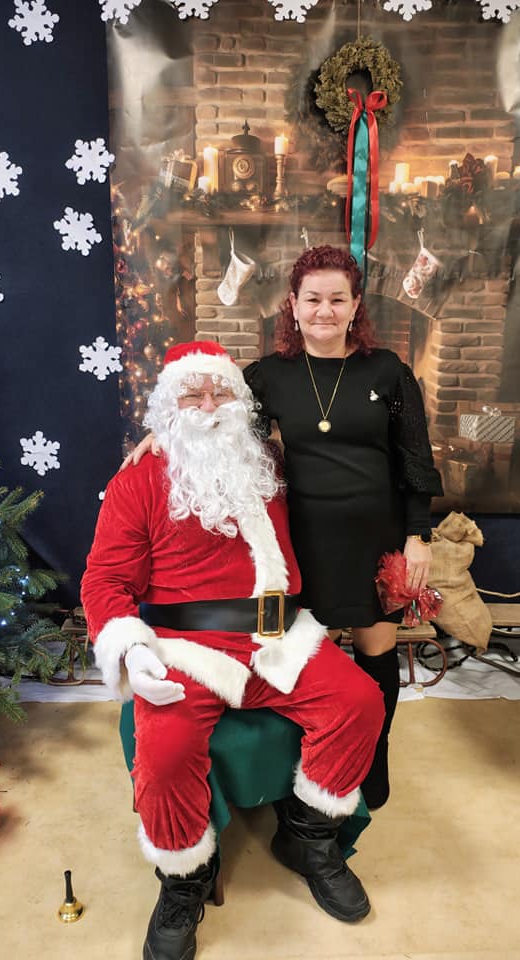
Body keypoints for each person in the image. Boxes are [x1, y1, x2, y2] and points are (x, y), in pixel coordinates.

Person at [82, 339, 385, 960]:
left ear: (240, 402)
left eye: (219, 391)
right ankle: (183, 881)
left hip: (278, 637)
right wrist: (130, 648)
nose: (207, 405)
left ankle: (308, 840)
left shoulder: (268, 460)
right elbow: (105, 578)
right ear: (167, 408)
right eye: (191, 394)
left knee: (359, 701)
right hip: (187, 647)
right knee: (165, 751)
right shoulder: (139, 478)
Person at [124, 246, 444, 812]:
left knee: (375, 654)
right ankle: (308, 764)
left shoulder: (388, 371)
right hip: (303, 543)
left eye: (337, 299)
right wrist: (163, 434)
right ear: (293, 306)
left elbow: (415, 458)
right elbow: (214, 416)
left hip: (375, 540)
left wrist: (418, 536)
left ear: (355, 306)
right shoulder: (268, 376)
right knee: (313, 659)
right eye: (313, 299)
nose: (325, 310)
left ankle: (373, 757)